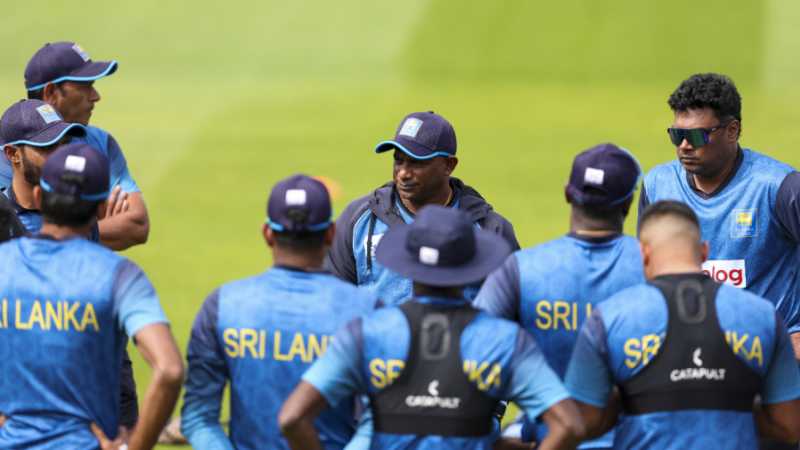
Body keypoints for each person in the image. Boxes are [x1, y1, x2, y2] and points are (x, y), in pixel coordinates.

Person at [280, 206, 584, 450]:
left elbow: (293, 418)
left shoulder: (367, 332)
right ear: (471, 265)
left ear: (407, 262)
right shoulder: (504, 341)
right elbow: (569, 424)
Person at [566, 200, 800, 449]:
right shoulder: (762, 316)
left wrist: (634, 402)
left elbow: (582, 421)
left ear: (643, 254)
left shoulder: (610, 317)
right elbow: (788, 425)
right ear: (704, 252)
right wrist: (728, 405)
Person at [0, 143, 184, 449]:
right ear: (101, 209)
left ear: (39, 196)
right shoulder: (121, 275)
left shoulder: (4, 263)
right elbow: (169, 370)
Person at [181, 174, 379, 450]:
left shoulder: (223, 304)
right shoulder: (368, 310)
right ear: (331, 234)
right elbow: (381, 417)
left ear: (267, 233)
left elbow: (198, 417)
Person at [474, 143, 644, 449]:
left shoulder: (521, 269)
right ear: (628, 202)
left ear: (567, 193)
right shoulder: (654, 266)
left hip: (547, 439)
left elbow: (471, 352)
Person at [638, 73, 800, 358]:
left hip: (769, 357)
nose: (684, 146)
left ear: (732, 131)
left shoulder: (780, 187)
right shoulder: (657, 186)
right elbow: (647, 271)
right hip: (690, 357)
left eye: (696, 136)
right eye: (677, 135)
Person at [326, 111, 519, 306]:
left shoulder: (490, 229)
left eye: (416, 162)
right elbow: (334, 300)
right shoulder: (358, 219)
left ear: (449, 165)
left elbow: (510, 306)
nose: (403, 173)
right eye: (398, 160)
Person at [4, 41, 150, 250]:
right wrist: (84, 223)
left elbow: (137, 225)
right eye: (85, 86)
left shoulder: (99, 141)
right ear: (51, 92)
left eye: (63, 144)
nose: (96, 96)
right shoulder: (15, 149)